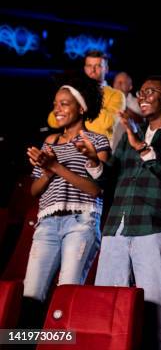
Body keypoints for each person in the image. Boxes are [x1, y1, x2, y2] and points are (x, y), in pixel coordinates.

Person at [81, 76, 161, 350]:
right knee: (108, 304)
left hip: (153, 227)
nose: (142, 96)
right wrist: (92, 161)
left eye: (150, 92)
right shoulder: (130, 134)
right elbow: (110, 180)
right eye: (141, 92)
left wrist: (143, 148)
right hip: (116, 228)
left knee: (158, 307)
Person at [24, 73, 109, 305]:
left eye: (64, 104)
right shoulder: (49, 142)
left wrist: (54, 166)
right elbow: (34, 190)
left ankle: (61, 342)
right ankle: (23, 342)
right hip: (47, 224)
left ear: (81, 108)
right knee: (31, 297)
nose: (57, 109)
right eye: (55, 105)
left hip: (81, 222)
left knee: (66, 298)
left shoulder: (98, 141)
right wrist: (48, 172)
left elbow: (95, 190)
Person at [47, 50, 125, 147]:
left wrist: (81, 102)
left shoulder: (116, 95)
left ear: (106, 69)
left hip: (98, 147)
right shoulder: (74, 91)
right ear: (84, 68)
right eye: (89, 66)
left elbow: (107, 123)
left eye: (98, 66)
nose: (93, 70)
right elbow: (53, 121)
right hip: (70, 145)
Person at [112, 71, 143, 150]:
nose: (118, 85)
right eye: (116, 82)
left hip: (128, 147)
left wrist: (122, 106)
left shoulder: (137, 102)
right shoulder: (106, 101)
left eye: (122, 82)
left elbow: (142, 122)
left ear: (130, 87)